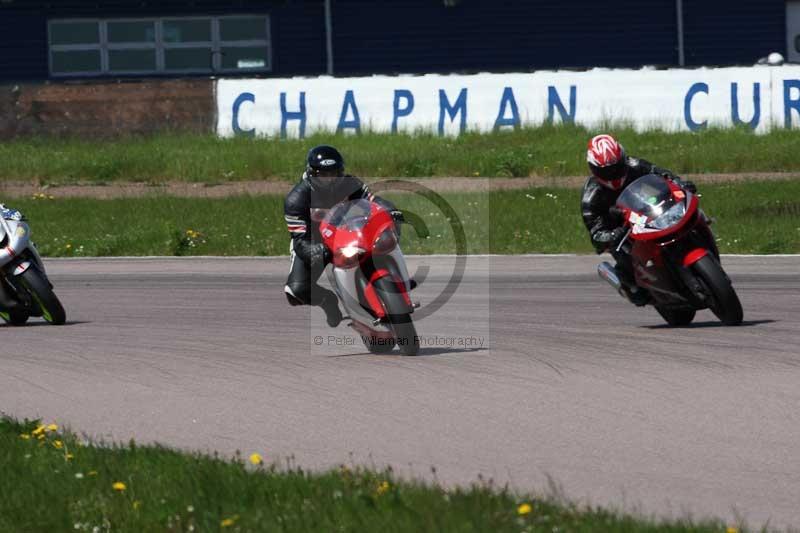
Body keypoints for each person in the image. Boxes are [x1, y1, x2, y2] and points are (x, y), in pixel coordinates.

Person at [283, 145, 402, 327]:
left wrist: (390, 210)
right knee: (296, 290)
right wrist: (314, 250)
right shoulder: (296, 199)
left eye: (334, 173)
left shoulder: (350, 183)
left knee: (387, 236)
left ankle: (397, 283)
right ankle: (328, 301)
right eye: (324, 175)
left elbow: (373, 201)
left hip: (351, 231)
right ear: (312, 174)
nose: (330, 180)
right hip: (315, 241)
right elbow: (299, 240)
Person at [580, 134, 696, 306]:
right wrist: (611, 235)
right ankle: (631, 286)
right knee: (626, 262)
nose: (612, 174)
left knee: (688, 212)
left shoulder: (635, 165)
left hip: (652, 212)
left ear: (622, 158)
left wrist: (680, 184)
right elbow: (596, 233)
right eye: (606, 171)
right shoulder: (591, 196)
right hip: (623, 232)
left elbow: (663, 175)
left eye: (616, 167)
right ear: (594, 169)